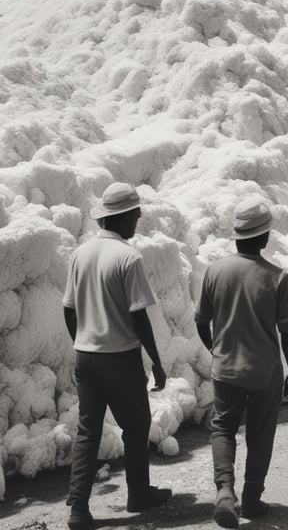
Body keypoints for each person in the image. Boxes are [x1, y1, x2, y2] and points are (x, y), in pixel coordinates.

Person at [62, 183, 170, 530]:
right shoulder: (128, 257)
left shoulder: (80, 254)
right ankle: (138, 494)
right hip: (120, 357)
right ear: (122, 217)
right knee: (135, 427)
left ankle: (78, 509)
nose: (138, 221)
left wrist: (82, 341)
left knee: (87, 432)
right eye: (136, 215)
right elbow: (139, 316)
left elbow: (69, 309)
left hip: (86, 356)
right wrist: (155, 359)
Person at [195, 199, 288, 527]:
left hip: (225, 369)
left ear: (237, 235)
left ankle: (225, 492)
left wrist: (217, 349)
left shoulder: (215, 271)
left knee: (223, 428)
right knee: (260, 434)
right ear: (265, 237)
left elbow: (201, 321)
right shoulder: (277, 277)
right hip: (265, 371)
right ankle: (252, 500)